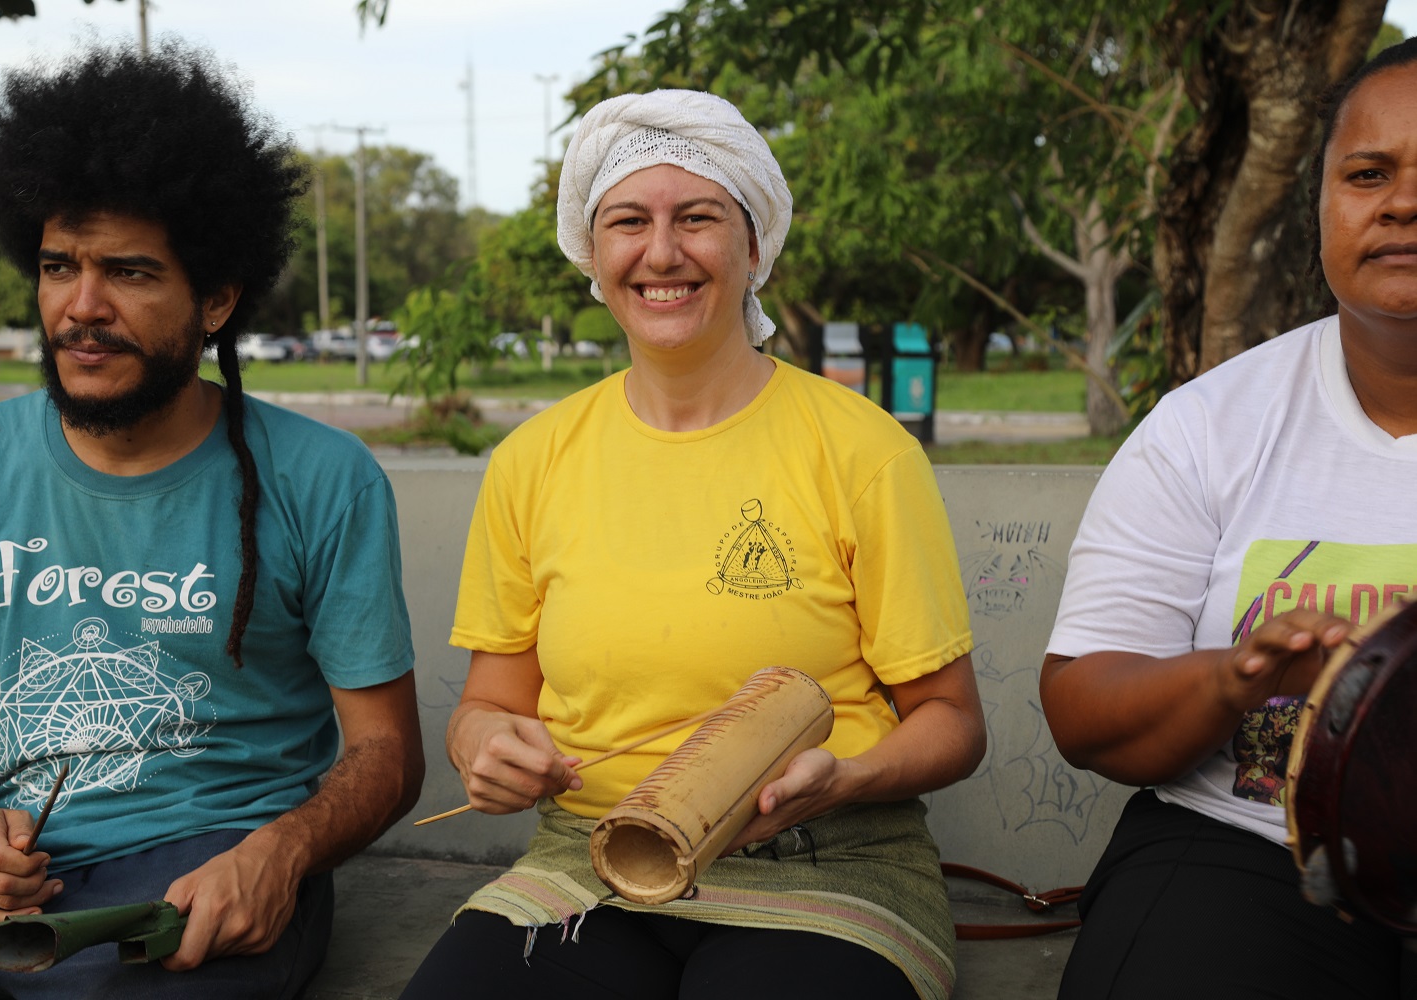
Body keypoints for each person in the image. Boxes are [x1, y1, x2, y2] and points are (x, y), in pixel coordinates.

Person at [403, 89, 984, 1000]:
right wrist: (485, 746)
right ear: (594, 258)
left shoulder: (864, 452)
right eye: (628, 221)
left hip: (820, 862)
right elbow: (489, 703)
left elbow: (953, 722)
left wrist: (846, 778)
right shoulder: (532, 461)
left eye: (699, 218)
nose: (662, 252)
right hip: (589, 860)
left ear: (753, 248)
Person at [0, 40, 424, 999]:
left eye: (131, 273)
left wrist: (281, 854)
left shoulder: (324, 478)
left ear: (218, 300)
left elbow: (387, 757)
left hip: (203, 872)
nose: (82, 306)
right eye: (59, 265)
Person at [1040, 36, 1417, 1000]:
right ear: (1322, 205)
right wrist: (1234, 679)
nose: (1402, 204)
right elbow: (1084, 709)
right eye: (1369, 173)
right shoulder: (1209, 427)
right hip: (1252, 846)